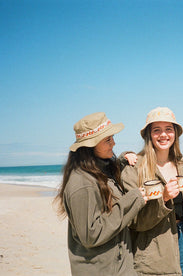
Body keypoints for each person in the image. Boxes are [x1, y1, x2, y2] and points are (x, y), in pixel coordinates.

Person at [53, 112, 147, 276]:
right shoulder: (82, 184)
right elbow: (91, 234)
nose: (114, 143)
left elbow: (111, 172)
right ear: (90, 147)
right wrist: (133, 200)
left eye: (112, 138)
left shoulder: (100, 171)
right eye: (107, 140)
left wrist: (125, 157)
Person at [121, 107, 183, 276]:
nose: (163, 135)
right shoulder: (134, 168)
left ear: (175, 134)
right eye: (157, 130)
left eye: (168, 129)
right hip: (152, 254)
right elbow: (133, 221)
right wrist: (163, 199)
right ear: (149, 135)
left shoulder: (182, 164)